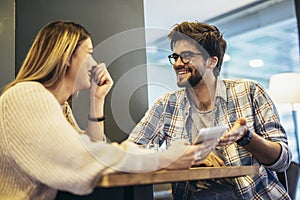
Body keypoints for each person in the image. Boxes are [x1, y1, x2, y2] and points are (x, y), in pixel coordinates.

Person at [0, 21, 206, 200]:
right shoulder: (26, 95)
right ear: (66, 57)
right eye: (89, 53)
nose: (95, 64)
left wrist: (97, 100)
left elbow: (93, 151)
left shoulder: (60, 108)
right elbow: (82, 161)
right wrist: (164, 158)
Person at [128, 21, 292, 199]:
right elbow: (131, 152)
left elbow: (282, 161)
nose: (177, 64)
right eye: (175, 57)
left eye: (186, 55)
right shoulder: (166, 104)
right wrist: (182, 158)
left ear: (211, 61)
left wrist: (247, 137)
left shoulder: (249, 91)